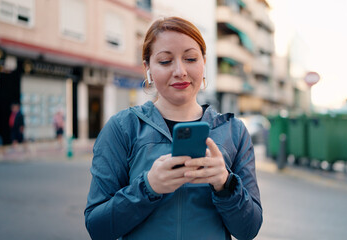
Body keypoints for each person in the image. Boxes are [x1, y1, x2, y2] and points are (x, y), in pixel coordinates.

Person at [84, 16, 262, 240]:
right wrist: (148, 187)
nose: (180, 71)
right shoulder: (122, 128)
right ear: (147, 68)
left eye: (190, 58)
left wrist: (225, 184)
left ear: (204, 63)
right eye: (166, 61)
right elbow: (97, 228)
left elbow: (249, 230)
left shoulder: (233, 131)